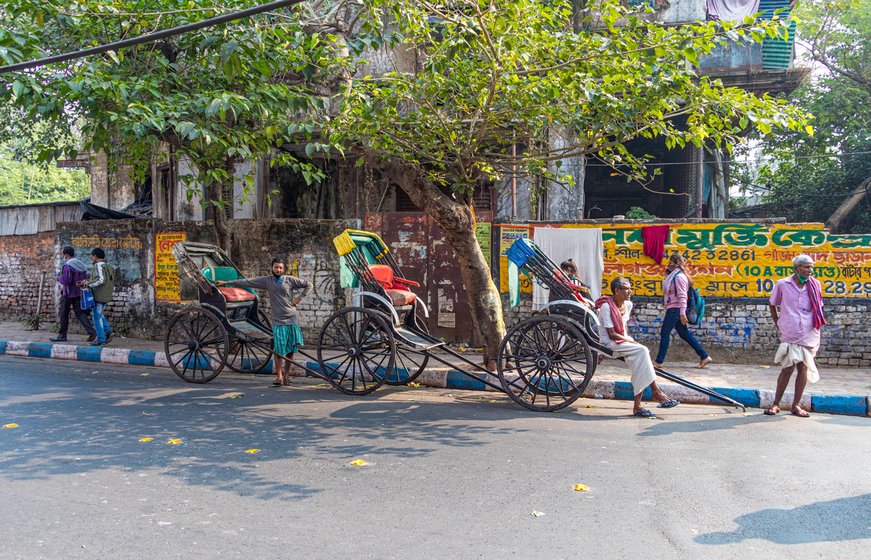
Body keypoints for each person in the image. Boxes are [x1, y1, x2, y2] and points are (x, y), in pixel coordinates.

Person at [217, 257, 312, 387]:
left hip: (291, 318)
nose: (278, 270)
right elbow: (247, 282)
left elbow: (309, 285)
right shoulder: (267, 281)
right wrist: (227, 282)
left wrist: (298, 298)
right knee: (279, 349)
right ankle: (278, 377)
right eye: (276, 267)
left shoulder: (290, 280)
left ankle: (286, 376)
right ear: (271, 268)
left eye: (280, 268)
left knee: (290, 350)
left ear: (283, 269)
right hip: (278, 320)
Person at [594, 277, 679, 417]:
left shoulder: (627, 305)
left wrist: (629, 341)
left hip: (622, 340)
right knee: (643, 350)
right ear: (617, 290)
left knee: (641, 360)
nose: (630, 291)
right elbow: (612, 334)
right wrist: (632, 342)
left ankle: (640, 405)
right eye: (627, 288)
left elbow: (623, 326)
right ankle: (656, 393)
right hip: (609, 342)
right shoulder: (606, 306)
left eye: (630, 288)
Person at [765, 254, 826, 418]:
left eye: (811, 267)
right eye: (806, 267)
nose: (810, 270)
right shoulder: (783, 284)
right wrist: (778, 322)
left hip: (809, 332)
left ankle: (796, 405)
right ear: (796, 268)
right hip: (790, 332)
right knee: (787, 368)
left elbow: (818, 308)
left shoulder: (815, 285)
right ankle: (776, 403)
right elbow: (773, 304)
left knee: (803, 368)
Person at [654, 253, 712, 368]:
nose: (668, 264)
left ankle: (659, 361)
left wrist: (682, 313)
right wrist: (667, 273)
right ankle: (704, 356)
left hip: (675, 309)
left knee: (665, 332)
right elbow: (667, 287)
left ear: (675, 264)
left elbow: (682, 296)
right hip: (674, 308)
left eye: (670, 262)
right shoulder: (673, 276)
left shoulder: (679, 277)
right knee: (684, 333)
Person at [50, 246, 96, 343]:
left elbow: (67, 280)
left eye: (63, 254)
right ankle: (91, 331)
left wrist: (58, 278)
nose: (63, 256)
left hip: (68, 293)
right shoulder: (80, 264)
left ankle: (62, 335)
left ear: (66, 255)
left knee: (63, 314)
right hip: (78, 292)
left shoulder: (68, 265)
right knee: (80, 313)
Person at [79, 248, 115, 346]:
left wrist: (87, 285)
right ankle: (108, 331)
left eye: (92, 256)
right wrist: (88, 282)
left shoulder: (98, 265)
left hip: (98, 295)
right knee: (99, 315)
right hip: (106, 294)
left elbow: (100, 280)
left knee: (96, 317)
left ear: (95, 256)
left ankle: (101, 339)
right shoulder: (109, 267)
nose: (92, 259)